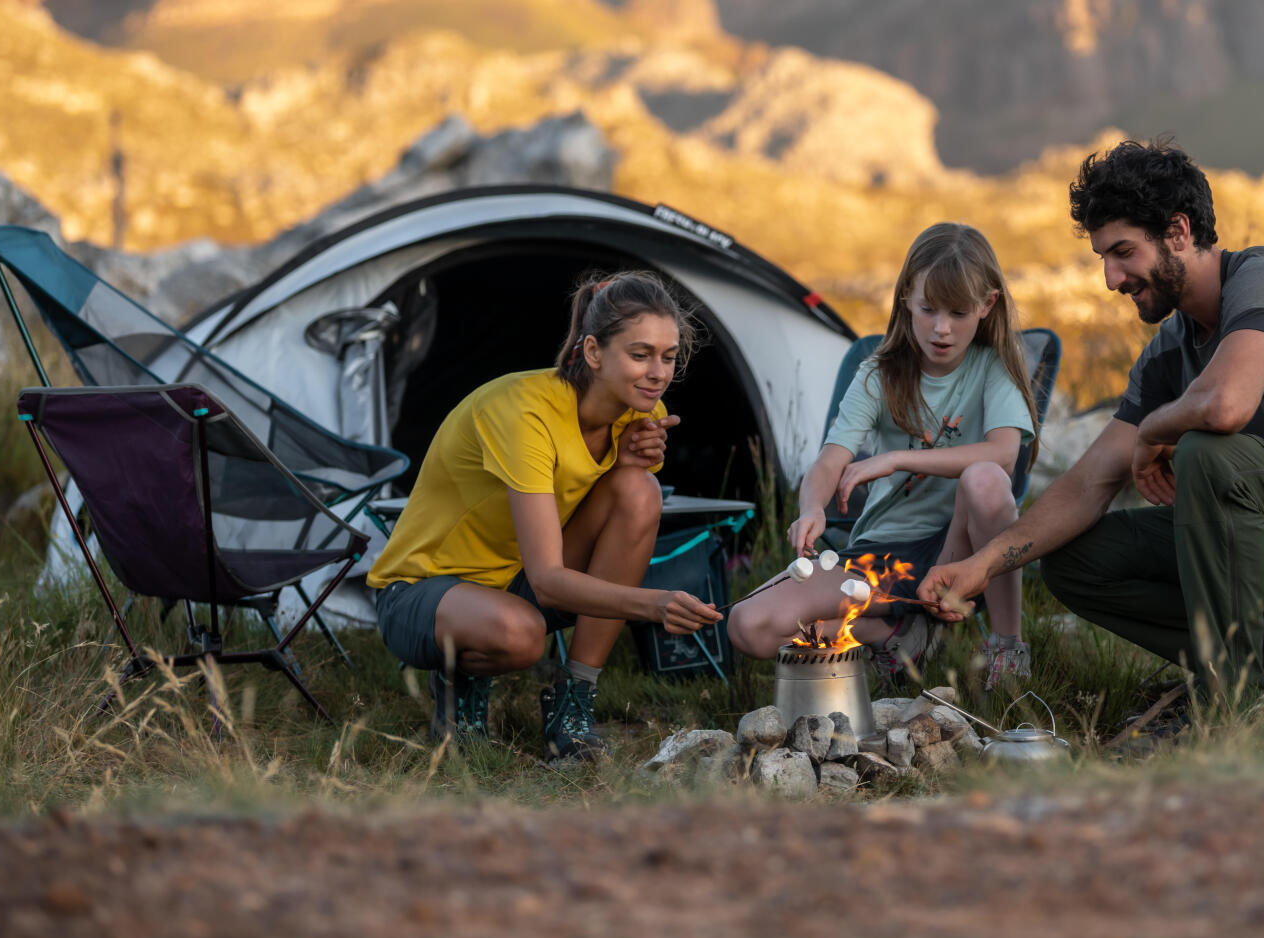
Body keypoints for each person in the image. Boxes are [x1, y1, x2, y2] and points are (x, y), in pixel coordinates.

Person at [918, 137, 1264, 700]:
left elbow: (1226, 406)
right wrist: (985, 563)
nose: (1111, 279)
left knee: (1211, 452)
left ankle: (1233, 696)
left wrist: (1153, 429)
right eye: (1103, 259)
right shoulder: (1169, 350)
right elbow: (1088, 483)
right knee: (1073, 562)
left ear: (1178, 232)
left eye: (1123, 252)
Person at [367, 271, 722, 758]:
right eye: (640, 355)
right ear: (593, 353)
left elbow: (605, 502)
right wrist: (654, 605)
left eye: (668, 356)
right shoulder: (524, 413)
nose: (658, 372)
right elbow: (550, 581)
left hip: (513, 580)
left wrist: (621, 464)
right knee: (521, 636)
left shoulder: (638, 409)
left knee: (640, 491)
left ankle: (573, 702)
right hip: (421, 592)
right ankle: (458, 691)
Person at [727, 223, 1039, 689]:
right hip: (881, 556)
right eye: (928, 308)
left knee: (984, 479)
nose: (941, 328)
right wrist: (812, 507)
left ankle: (1006, 647)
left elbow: (1003, 455)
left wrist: (896, 460)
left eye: (958, 312)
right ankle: (893, 631)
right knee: (747, 626)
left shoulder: (993, 368)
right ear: (906, 298)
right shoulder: (879, 373)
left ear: (986, 305)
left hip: (956, 551)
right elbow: (830, 460)